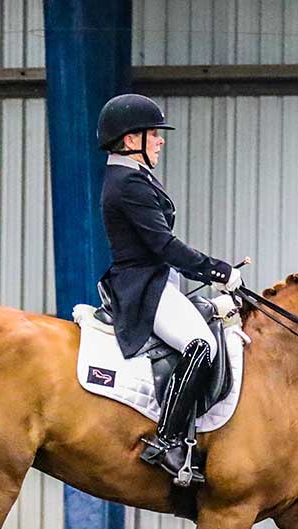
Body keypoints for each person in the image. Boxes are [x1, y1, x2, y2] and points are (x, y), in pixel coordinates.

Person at [96, 93, 248, 485]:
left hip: (157, 280)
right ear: (131, 140)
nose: (161, 141)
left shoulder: (133, 175)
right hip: (143, 286)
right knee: (201, 345)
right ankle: (166, 440)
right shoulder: (128, 182)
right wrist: (219, 270)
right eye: (154, 134)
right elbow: (165, 247)